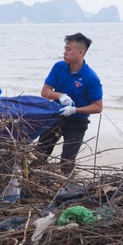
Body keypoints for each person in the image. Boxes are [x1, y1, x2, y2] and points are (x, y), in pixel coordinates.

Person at [35, 33, 103, 175]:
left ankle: (67, 187)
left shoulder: (91, 77)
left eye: (68, 49)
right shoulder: (59, 67)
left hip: (77, 122)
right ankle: (32, 181)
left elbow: (98, 106)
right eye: (64, 48)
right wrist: (60, 95)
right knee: (39, 154)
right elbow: (45, 91)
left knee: (67, 161)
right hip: (56, 116)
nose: (64, 52)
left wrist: (75, 110)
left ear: (80, 52)